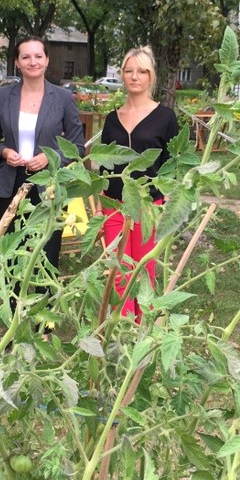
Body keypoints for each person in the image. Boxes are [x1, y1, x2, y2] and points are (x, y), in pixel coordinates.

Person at [0, 36, 85, 320]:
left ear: (47, 60)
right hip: (8, 186)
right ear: (17, 62)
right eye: (26, 57)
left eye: (38, 56)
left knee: (46, 254)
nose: (33, 62)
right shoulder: (4, 97)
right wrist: (3, 152)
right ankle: (16, 324)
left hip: (48, 187)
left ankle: (43, 326)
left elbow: (77, 146)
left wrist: (51, 158)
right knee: (13, 256)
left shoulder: (62, 98)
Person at [100, 46, 179, 322]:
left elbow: (173, 165)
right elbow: (104, 165)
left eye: (141, 71)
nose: (135, 77)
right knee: (117, 272)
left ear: (151, 76)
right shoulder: (112, 119)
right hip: (115, 207)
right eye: (129, 71)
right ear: (122, 75)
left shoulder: (166, 117)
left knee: (144, 271)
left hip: (149, 207)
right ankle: (120, 329)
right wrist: (101, 205)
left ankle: (141, 329)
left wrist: (168, 203)